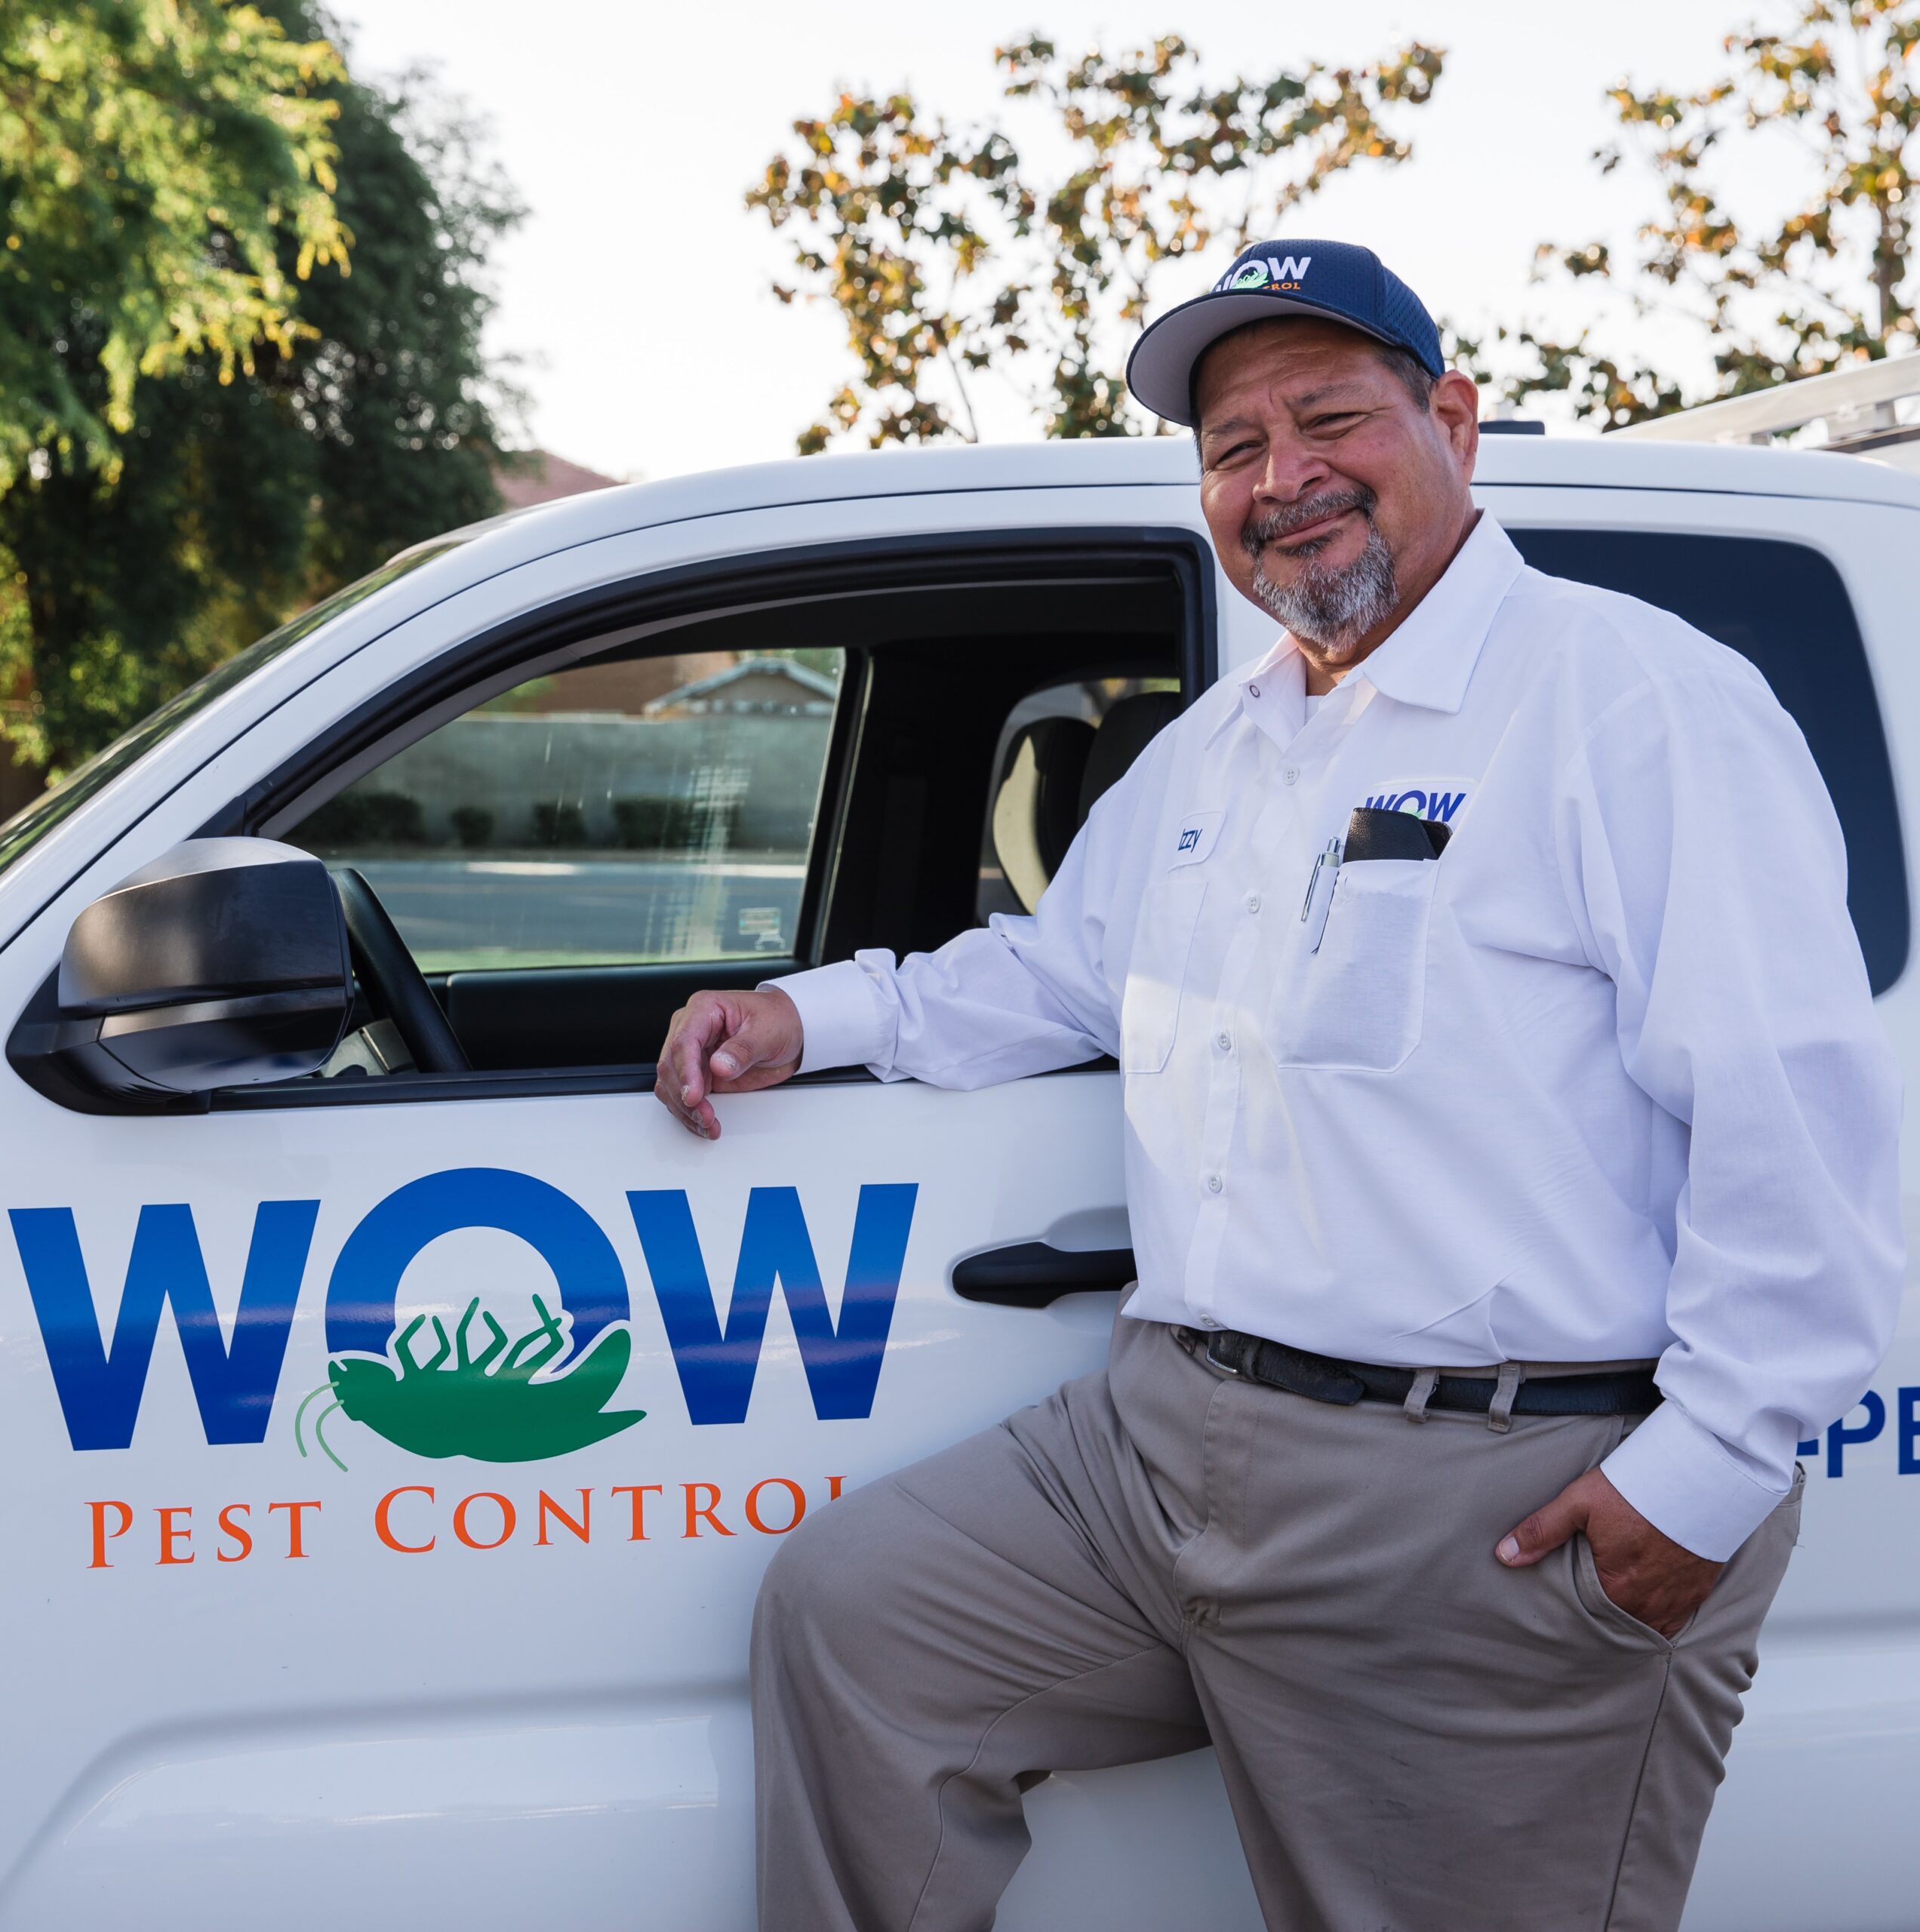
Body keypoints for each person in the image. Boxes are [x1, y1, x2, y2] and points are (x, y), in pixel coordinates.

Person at [655, 238, 1904, 1932]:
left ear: (1451, 419)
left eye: (1327, 417)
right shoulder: (1219, 747)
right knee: (861, 1617)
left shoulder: (1634, 706)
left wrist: (1705, 1473)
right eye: (1233, 446)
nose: (1280, 476)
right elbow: (1052, 970)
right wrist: (806, 1017)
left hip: (1479, 1480)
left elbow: (1797, 1122)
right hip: (1155, 1443)